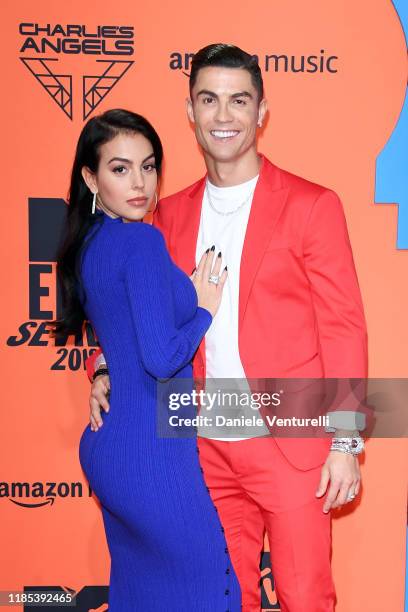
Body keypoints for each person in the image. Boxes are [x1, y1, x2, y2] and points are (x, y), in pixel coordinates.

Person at [87, 46, 369, 612]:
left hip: (291, 437)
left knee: (304, 596)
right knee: (217, 598)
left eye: (239, 100)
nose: (223, 116)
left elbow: (344, 328)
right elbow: (130, 303)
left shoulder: (313, 205)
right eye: (209, 100)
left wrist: (346, 440)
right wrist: (103, 365)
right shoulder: (166, 214)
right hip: (199, 446)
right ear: (189, 112)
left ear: (261, 111)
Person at [51, 108, 241, 611]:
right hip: (153, 449)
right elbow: (160, 358)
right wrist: (203, 308)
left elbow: (123, 337)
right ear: (91, 177)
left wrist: (105, 368)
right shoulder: (141, 242)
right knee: (213, 593)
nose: (139, 183)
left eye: (149, 166)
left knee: (142, 596)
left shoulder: (90, 243)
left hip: (111, 445)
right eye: (120, 169)